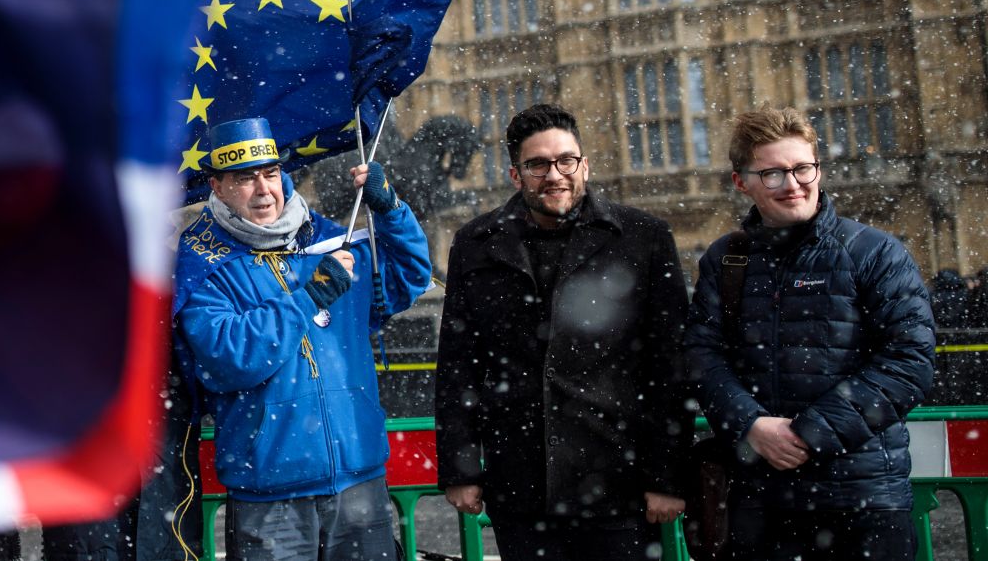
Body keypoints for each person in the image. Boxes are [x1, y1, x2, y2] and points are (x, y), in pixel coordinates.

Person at [433, 103, 693, 560]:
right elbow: (459, 363)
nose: (554, 175)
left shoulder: (643, 237)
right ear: (516, 175)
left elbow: (670, 364)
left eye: (565, 161)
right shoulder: (476, 244)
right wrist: (461, 468)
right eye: (537, 164)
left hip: (618, 480)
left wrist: (666, 478)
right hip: (521, 485)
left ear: (584, 165)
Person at [173, 117, 433, 561]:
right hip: (270, 490)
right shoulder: (201, 265)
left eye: (270, 174)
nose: (263, 190)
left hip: (359, 480)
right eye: (244, 179)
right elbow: (231, 358)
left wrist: (390, 211)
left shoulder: (328, 240)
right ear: (217, 186)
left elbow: (406, 280)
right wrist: (308, 297)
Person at [685, 107, 934, 561]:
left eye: (803, 168)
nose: (794, 184)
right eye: (774, 174)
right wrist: (752, 426)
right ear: (743, 182)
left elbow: (910, 364)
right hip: (762, 498)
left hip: (863, 498)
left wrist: (808, 433)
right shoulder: (727, 259)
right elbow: (702, 357)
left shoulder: (876, 252)